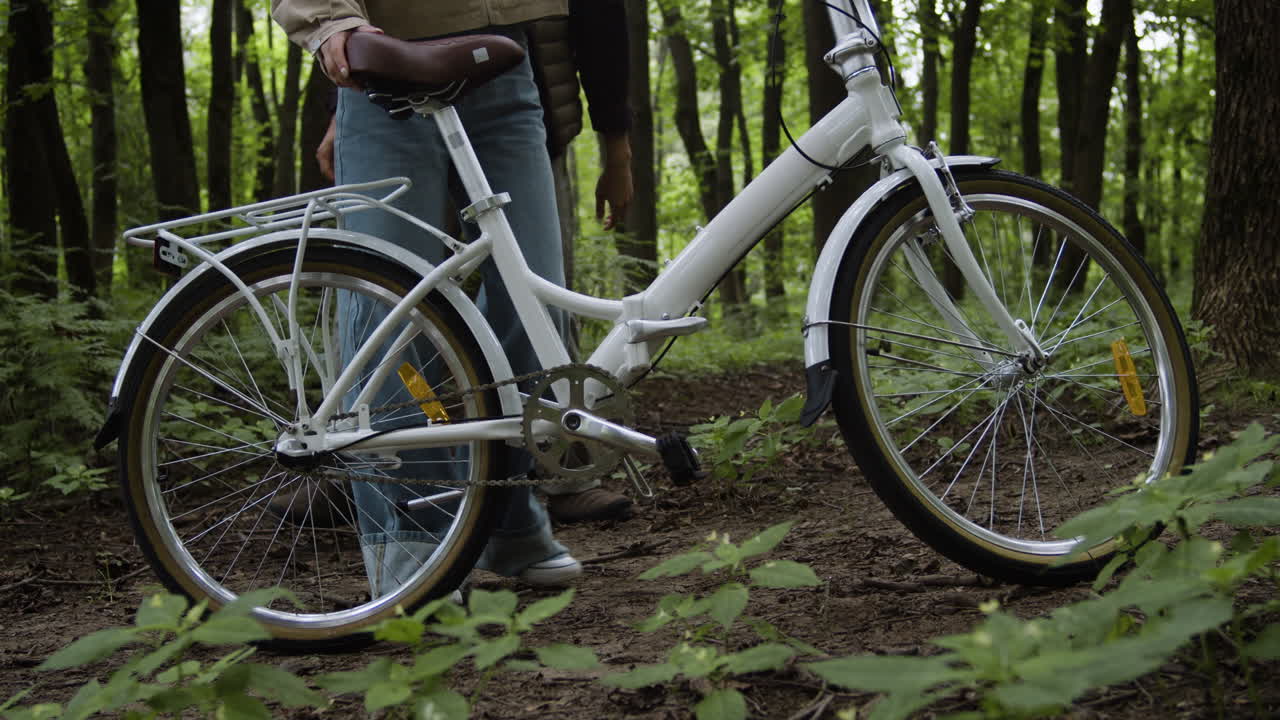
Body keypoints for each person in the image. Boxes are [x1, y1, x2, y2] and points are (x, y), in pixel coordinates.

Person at [270, 0, 631, 594]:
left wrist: (617, 130)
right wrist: (330, 21)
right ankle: (414, 534)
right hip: (386, 74)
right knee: (394, 318)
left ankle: (506, 517)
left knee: (533, 310)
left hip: (506, 66)